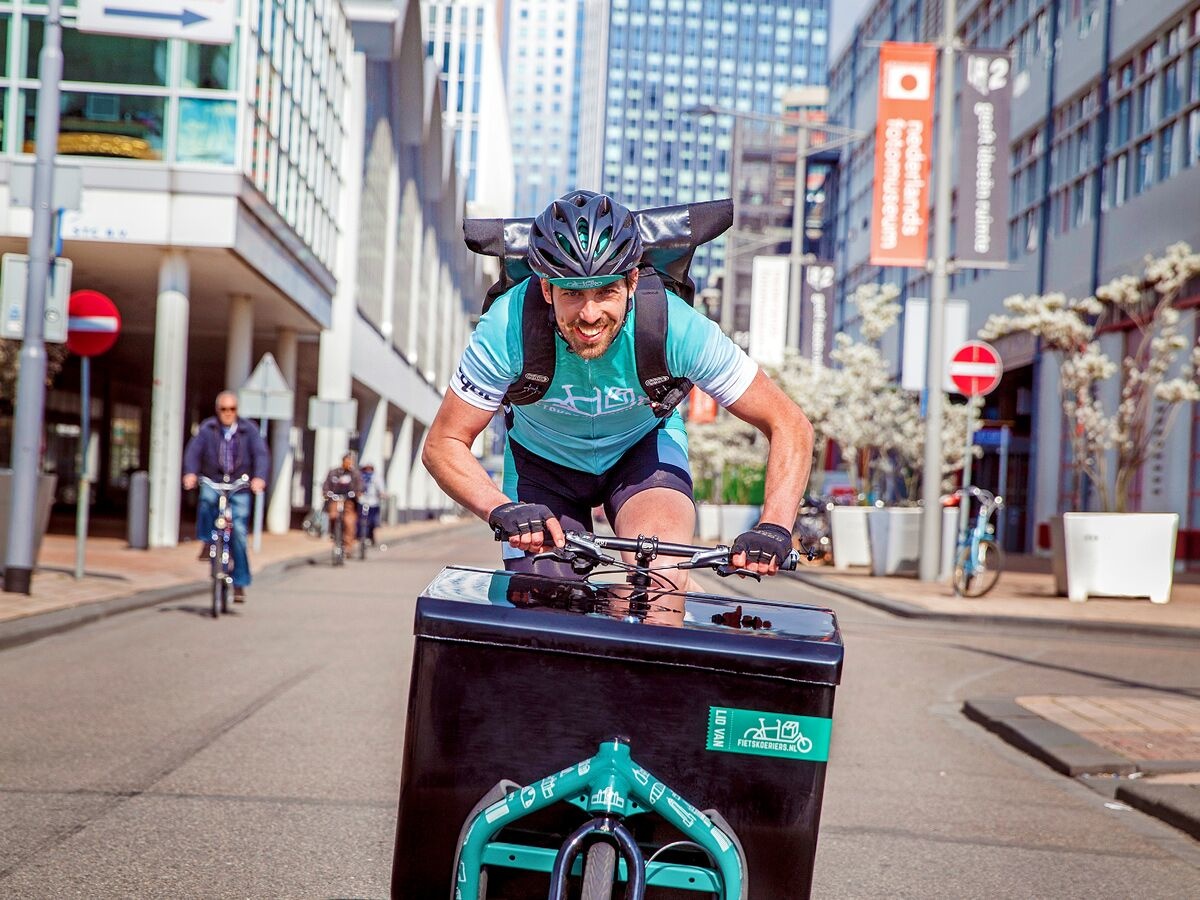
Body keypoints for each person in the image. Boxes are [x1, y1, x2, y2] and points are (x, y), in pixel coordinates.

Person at [422, 190, 814, 606]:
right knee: (544, 607)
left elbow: (788, 423)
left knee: (659, 587)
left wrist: (774, 526)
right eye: (572, 293)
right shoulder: (506, 327)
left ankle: (657, 599)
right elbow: (443, 444)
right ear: (546, 288)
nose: (589, 315)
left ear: (630, 281)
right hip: (541, 466)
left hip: (641, 454)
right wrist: (499, 508)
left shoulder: (674, 327)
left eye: (605, 291)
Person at [182, 391, 269, 602]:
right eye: (224, 409)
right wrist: (190, 473)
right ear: (217, 410)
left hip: (240, 484)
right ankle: (205, 541)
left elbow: (261, 455)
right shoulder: (208, 429)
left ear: (237, 411)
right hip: (214, 480)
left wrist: (259, 478)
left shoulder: (249, 430)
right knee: (206, 501)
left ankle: (239, 583)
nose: (228, 413)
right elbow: (193, 451)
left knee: (238, 532)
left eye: (232, 409)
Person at [323, 452, 364, 555]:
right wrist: (326, 492)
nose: (349, 463)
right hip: (336, 499)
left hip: (349, 501)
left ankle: (348, 546)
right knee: (333, 515)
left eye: (351, 461)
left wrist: (358, 492)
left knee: (349, 522)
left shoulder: (355, 474)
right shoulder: (334, 472)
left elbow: (360, 486)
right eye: (347, 461)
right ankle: (334, 533)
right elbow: (326, 485)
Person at [358, 463, 384, 546]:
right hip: (362, 501)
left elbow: (381, 488)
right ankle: (361, 536)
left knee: (372, 521)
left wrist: (382, 494)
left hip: (373, 502)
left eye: (370, 469)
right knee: (361, 520)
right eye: (366, 469)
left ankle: (370, 535)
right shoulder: (360, 477)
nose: (368, 471)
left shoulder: (376, 477)